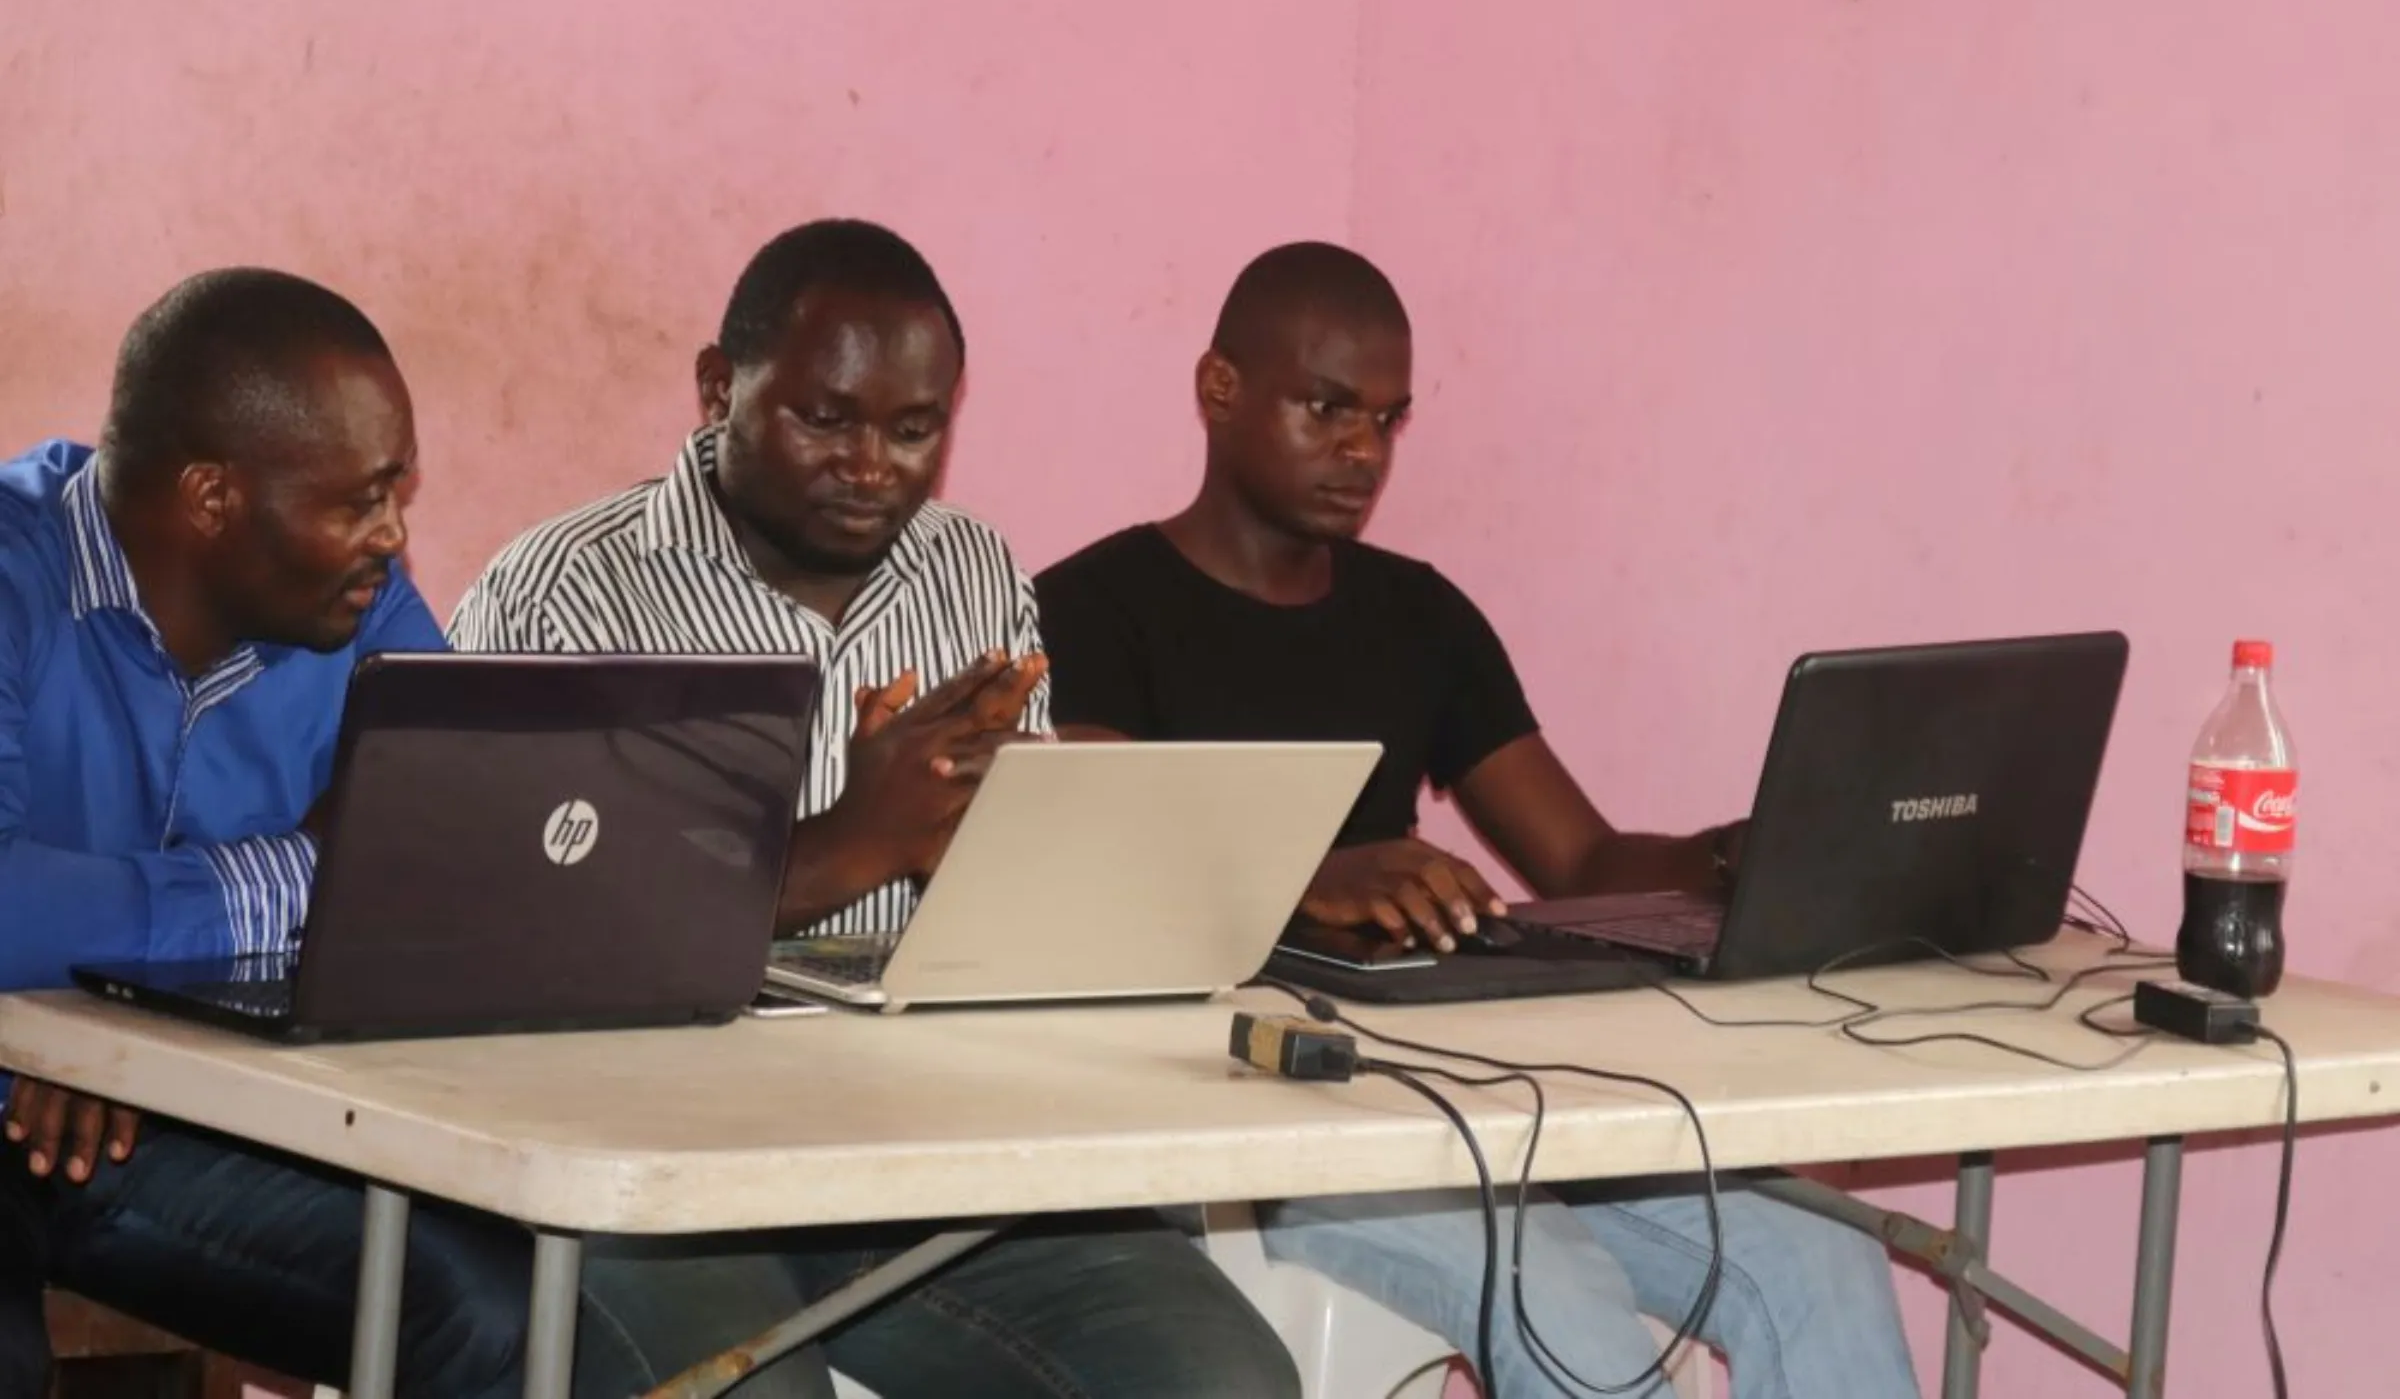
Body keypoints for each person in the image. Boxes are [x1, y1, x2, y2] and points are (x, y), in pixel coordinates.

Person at [1033, 241, 1922, 1399]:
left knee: (1823, 1257)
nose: (1362, 451)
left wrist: (1736, 854)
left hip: (1475, 1089)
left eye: (1388, 421)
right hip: (1266, 1114)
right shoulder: (1091, 610)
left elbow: (1583, 860)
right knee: (1561, 1303)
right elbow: (1102, 850)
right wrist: (1315, 875)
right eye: (1327, 409)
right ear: (1219, 390)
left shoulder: (1419, 615)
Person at [448, 217, 1302, 1399]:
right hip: (653, 1170)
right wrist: (852, 843)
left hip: (925, 1154)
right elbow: (507, 946)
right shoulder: (564, 591)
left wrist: (1019, 847)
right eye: (825, 419)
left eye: (915, 430)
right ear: (716, 389)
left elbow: (1013, 902)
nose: (873, 466)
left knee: (1223, 1381)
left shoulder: (971, 568)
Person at [0, 269, 830, 1399]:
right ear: (210, 498)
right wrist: (291, 877)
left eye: (400, 490)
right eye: (359, 499)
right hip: (36, 1121)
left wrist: (106, 1013)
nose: (393, 535)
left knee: (513, 1304)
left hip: (199, 1105)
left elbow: (460, 866)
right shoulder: (16, 578)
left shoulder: (362, 604)